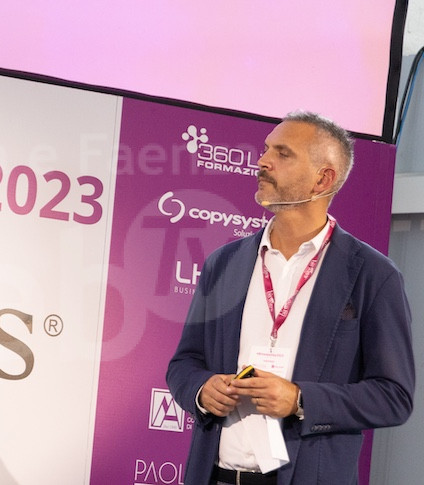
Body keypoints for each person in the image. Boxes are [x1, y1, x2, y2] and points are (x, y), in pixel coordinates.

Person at [166, 111, 415, 485]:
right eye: (267, 149)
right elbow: (184, 363)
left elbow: (394, 396)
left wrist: (300, 400)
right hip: (215, 476)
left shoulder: (373, 275)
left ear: (322, 179)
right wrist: (202, 390)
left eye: (282, 154)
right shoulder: (224, 263)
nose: (262, 161)